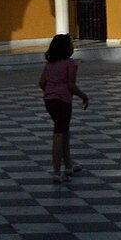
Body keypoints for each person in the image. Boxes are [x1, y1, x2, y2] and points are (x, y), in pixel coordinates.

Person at [39, 32, 89, 182]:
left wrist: (51, 91)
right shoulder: (70, 64)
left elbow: (42, 83)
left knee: (64, 131)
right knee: (59, 134)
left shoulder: (49, 64)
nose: (73, 47)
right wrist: (83, 96)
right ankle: (56, 172)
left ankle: (68, 166)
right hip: (63, 101)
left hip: (50, 101)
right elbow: (71, 86)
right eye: (71, 45)